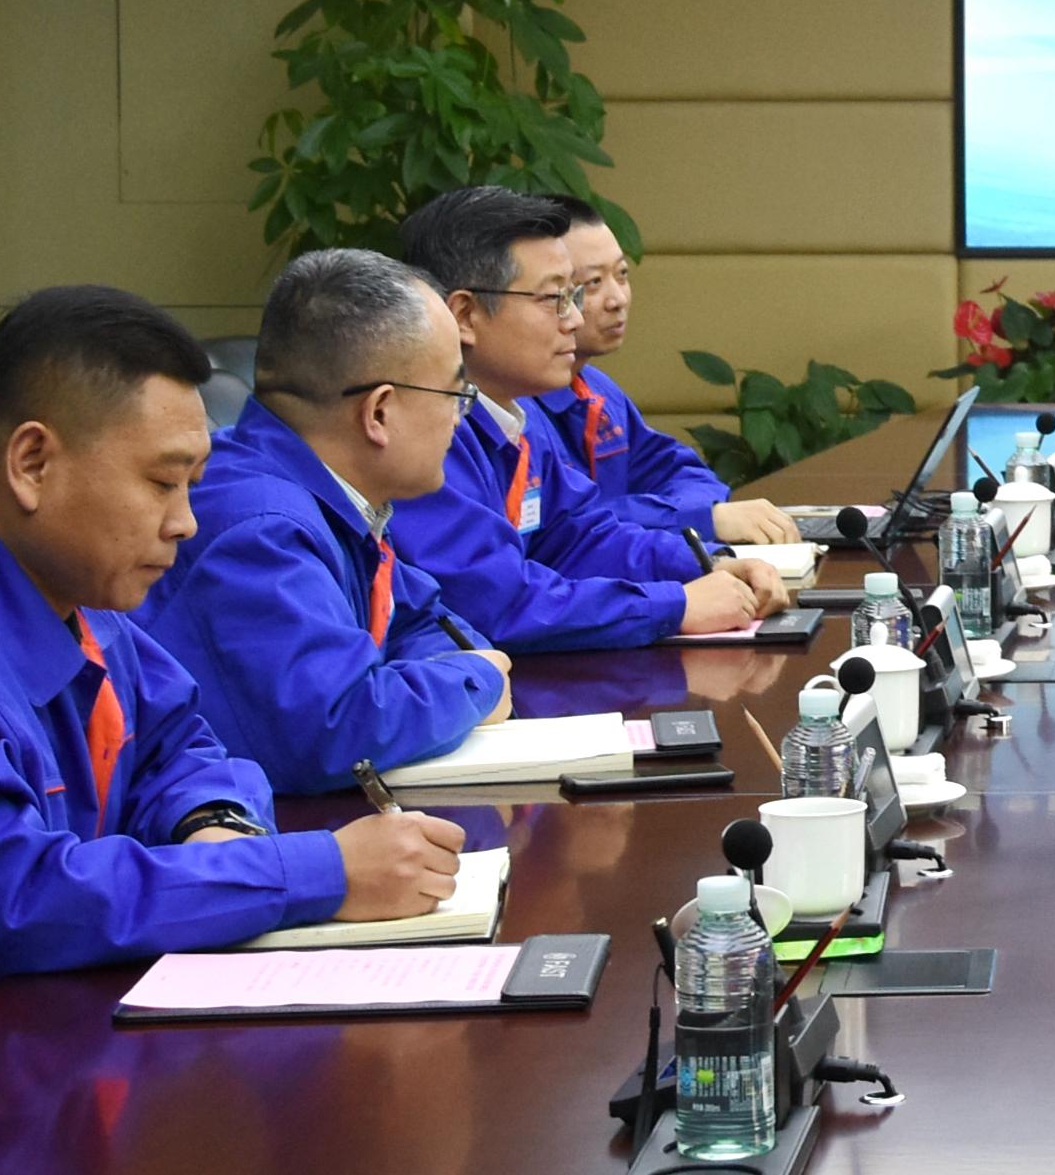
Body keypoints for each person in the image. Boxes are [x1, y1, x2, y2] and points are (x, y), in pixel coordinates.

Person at [0, 285, 467, 974]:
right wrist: (314, 872)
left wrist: (213, 823)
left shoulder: (92, 611)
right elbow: (16, 895)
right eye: (162, 483)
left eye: (193, 485)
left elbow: (181, 745)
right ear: (33, 463)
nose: (185, 522)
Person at [139, 249, 512, 793]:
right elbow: (335, 729)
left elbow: (431, 625)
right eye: (456, 393)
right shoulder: (260, 529)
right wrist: (477, 679)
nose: (461, 416)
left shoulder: (333, 495)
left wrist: (442, 678)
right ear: (379, 412)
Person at [391, 187, 785, 652]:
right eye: (554, 298)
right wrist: (674, 605)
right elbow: (496, 604)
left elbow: (578, 538)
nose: (575, 320)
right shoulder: (422, 432)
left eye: (574, 296)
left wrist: (706, 565)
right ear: (465, 314)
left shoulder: (515, 416)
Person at [528, 197, 799, 547]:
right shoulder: (513, 407)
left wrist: (702, 513)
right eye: (593, 283)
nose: (617, 299)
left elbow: (680, 472)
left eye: (622, 275)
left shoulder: (597, 389)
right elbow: (562, 531)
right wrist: (698, 518)